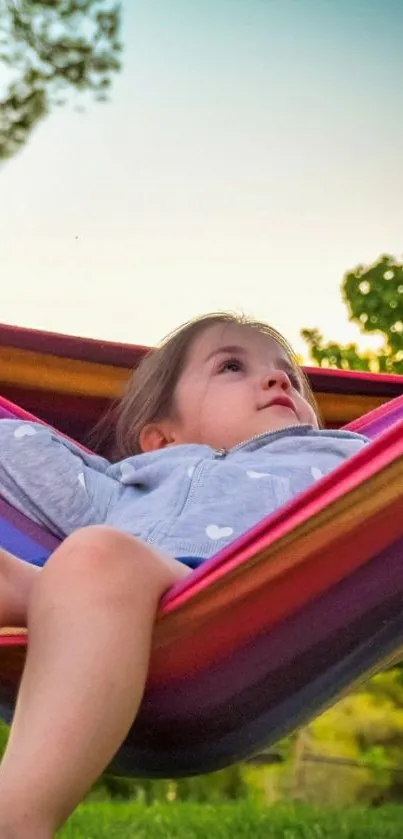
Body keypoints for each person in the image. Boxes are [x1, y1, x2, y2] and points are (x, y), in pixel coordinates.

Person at [0, 313, 368, 837]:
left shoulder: (349, 458)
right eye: (233, 366)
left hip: (241, 605)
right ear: (161, 438)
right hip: (84, 603)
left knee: (96, 554)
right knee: (84, 559)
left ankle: (16, 819)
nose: (278, 379)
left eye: (288, 373)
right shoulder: (129, 482)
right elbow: (17, 455)